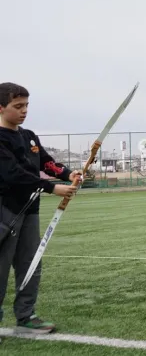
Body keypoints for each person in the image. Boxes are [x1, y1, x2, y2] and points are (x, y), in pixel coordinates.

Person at [0, 82, 81, 339]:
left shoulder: (29, 136)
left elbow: (46, 161)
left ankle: (26, 316)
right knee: (1, 268)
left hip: (30, 211)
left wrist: (69, 174)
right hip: (6, 211)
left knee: (31, 264)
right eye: (17, 106)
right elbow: (13, 174)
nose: (24, 111)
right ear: (1, 108)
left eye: (26, 105)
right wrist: (50, 188)